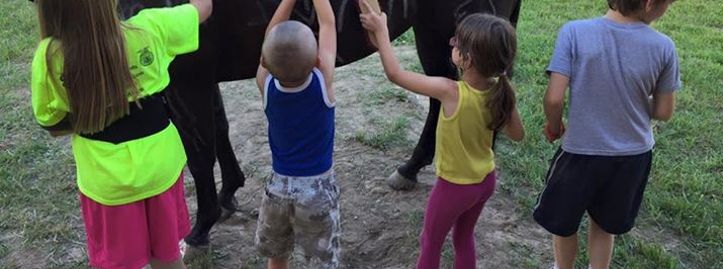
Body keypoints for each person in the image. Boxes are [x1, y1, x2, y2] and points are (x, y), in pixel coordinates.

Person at [29, 0, 212, 268]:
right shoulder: (151, 27)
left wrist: (96, 115)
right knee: (168, 257)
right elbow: (203, 8)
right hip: (160, 169)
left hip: (107, 181)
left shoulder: (49, 56)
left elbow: (51, 123)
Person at [361, 4, 525, 268]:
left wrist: (381, 31)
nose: (451, 44)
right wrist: (510, 102)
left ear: (467, 59)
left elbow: (395, 74)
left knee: (431, 241)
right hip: (485, 181)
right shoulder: (500, 93)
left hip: (454, 187)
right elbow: (518, 135)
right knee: (464, 237)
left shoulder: (450, 92)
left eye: (455, 43)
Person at [532, 0, 681, 268]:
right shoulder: (664, 46)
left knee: (563, 225)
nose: (665, 11)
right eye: (667, 4)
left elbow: (554, 99)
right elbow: (663, 111)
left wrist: (554, 126)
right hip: (632, 158)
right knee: (604, 225)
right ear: (649, 4)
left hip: (580, 153)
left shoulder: (574, 32)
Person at [253, 0, 339, 268]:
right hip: (317, 193)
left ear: (264, 61)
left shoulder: (266, 87)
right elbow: (328, 23)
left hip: (277, 191)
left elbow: (271, 36)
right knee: (322, 260)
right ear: (317, 60)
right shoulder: (322, 83)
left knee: (276, 253)